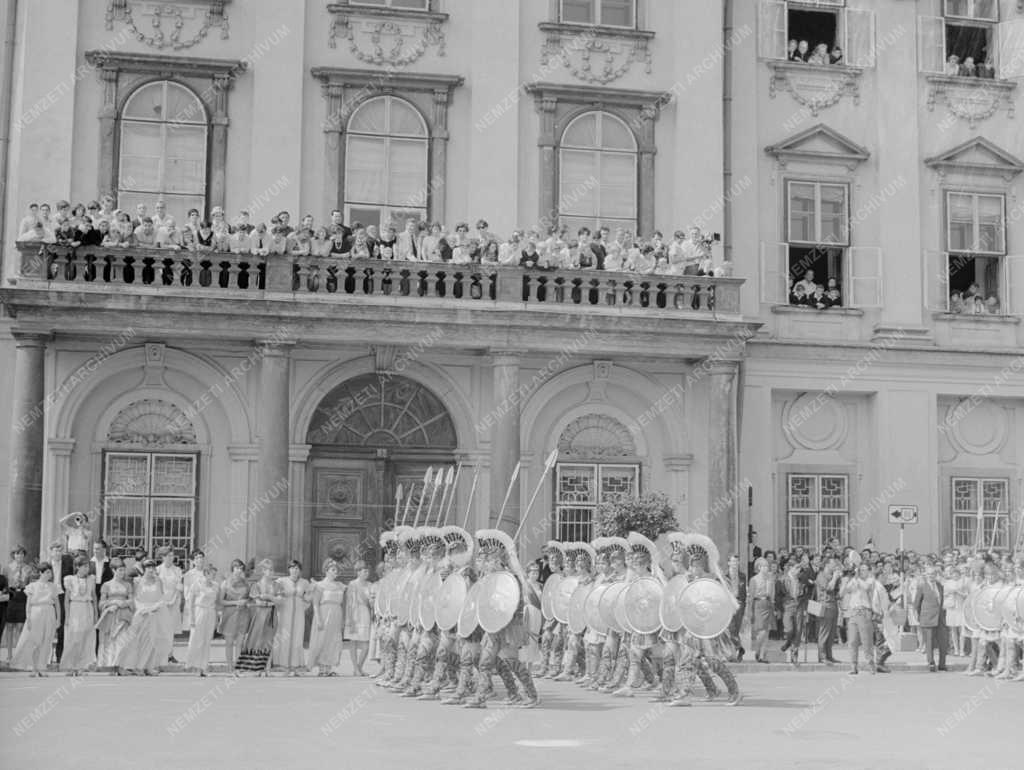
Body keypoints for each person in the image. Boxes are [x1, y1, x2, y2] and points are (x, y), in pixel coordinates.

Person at [120, 559, 168, 676]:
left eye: (153, 567)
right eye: (148, 567)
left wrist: (155, 607)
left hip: (155, 612)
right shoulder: (138, 581)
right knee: (139, 640)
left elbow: (162, 597)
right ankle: (137, 666)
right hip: (141, 612)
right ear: (144, 569)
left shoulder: (159, 581)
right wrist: (143, 609)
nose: (151, 570)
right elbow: (135, 598)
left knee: (153, 640)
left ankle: (149, 667)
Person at [11, 563, 59, 676]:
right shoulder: (33, 586)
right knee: (34, 640)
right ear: (41, 573)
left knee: (46, 640)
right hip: (36, 613)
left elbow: (57, 604)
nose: (49, 574)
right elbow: (28, 603)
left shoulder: (53, 586)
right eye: (47, 572)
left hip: (49, 612)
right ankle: (33, 668)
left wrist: (58, 619)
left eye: (50, 572)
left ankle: (42, 668)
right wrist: (28, 617)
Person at [237, 558, 278, 676]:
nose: (271, 572)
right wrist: (270, 601)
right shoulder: (256, 585)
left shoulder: (277, 585)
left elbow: (281, 601)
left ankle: (267, 668)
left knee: (269, 641)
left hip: (272, 615)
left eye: (272, 570)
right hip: (260, 615)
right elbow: (258, 602)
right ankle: (257, 669)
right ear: (263, 571)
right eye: (268, 570)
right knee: (258, 641)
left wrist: (267, 597)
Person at [308, 559, 346, 677]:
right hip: (324, 613)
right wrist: (319, 618)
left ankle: (329, 667)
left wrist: (344, 619)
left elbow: (343, 603)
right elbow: (315, 603)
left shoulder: (340, 586)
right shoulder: (320, 585)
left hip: (336, 613)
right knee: (322, 640)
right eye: (333, 570)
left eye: (336, 570)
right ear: (326, 571)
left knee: (333, 640)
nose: (335, 572)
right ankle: (322, 667)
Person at [842, 562, 881, 674]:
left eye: (864, 570)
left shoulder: (871, 580)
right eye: (860, 570)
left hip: (864, 612)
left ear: (868, 571)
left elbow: (865, 588)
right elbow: (847, 590)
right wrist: (851, 578)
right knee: (852, 641)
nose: (862, 572)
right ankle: (853, 666)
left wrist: (857, 577)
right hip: (853, 612)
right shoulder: (855, 580)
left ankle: (870, 664)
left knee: (866, 640)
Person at [96, 558, 134, 673]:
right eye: (119, 570)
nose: (122, 573)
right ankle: (111, 666)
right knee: (110, 641)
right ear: (113, 570)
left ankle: (121, 666)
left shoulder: (127, 585)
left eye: (123, 570)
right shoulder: (106, 585)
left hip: (124, 615)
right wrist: (113, 603)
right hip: (111, 615)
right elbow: (101, 603)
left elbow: (132, 600)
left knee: (122, 641)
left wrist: (124, 603)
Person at [60, 555, 97, 675]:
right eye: (84, 566)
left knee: (86, 637)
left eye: (88, 566)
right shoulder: (70, 579)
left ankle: (82, 666)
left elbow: (94, 597)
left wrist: (96, 614)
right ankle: (71, 666)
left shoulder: (91, 579)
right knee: (74, 637)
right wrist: (67, 616)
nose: (87, 569)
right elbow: (66, 600)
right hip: (75, 608)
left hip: (87, 607)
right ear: (77, 567)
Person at [274, 559, 310, 676]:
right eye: (293, 567)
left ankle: (295, 666)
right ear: (289, 569)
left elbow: (309, 598)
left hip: (299, 613)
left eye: (297, 568)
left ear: (300, 570)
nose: (295, 570)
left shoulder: (304, 582)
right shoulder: (281, 581)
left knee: (297, 637)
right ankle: (284, 666)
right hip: (285, 612)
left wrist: (303, 605)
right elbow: (275, 594)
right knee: (284, 637)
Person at [186, 565, 220, 677]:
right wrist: (191, 617)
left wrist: (217, 619)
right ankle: (194, 665)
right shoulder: (198, 583)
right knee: (197, 639)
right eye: (211, 574)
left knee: (206, 640)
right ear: (206, 574)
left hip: (210, 612)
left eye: (215, 574)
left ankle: (203, 667)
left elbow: (216, 603)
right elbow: (191, 601)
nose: (214, 576)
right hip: (199, 611)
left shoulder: (216, 586)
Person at [3, 546, 33, 660]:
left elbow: (30, 585)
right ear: (13, 555)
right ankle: (9, 654)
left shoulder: (28, 568)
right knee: (9, 626)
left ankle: (19, 653)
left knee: (20, 626)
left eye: (21, 554)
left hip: (22, 596)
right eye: (17, 554)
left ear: (24, 556)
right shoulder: (7, 568)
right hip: (11, 595)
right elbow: (4, 583)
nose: (19, 556)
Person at [47, 541, 74, 663]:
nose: (58, 553)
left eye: (60, 550)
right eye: (55, 551)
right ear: (51, 552)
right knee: (48, 624)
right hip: (49, 597)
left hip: (62, 596)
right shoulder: (46, 565)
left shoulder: (68, 564)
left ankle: (59, 656)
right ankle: (46, 657)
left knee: (61, 625)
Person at [345, 560, 373, 676]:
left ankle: (359, 667)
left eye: (367, 571)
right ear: (358, 572)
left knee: (366, 645)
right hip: (355, 614)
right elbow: (349, 603)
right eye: (364, 571)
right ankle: (356, 668)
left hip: (365, 614)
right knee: (353, 642)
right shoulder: (352, 584)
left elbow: (372, 602)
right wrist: (350, 619)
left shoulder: (370, 585)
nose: (367, 573)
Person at [155, 546, 182, 663]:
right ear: (163, 557)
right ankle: (160, 654)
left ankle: (170, 654)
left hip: (173, 601)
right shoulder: (158, 570)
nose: (171, 558)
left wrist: (173, 601)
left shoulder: (177, 570)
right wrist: (163, 601)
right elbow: (156, 587)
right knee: (161, 629)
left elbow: (179, 587)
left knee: (170, 630)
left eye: (172, 555)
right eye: (168, 556)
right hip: (161, 601)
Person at [747, 557, 775, 663]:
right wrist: (749, 611)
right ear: (759, 567)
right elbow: (750, 597)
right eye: (764, 566)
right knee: (761, 631)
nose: (766, 568)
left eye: (767, 566)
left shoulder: (770, 579)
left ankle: (763, 655)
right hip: (758, 604)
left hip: (768, 604)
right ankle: (757, 649)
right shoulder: (754, 580)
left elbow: (772, 594)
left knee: (767, 631)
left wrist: (773, 605)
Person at [814, 558, 841, 664]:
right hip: (824, 605)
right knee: (824, 631)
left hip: (833, 605)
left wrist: (838, 578)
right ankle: (822, 656)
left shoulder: (831, 576)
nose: (835, 566)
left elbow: (837, 591)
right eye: (833, 564)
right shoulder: (821, 575)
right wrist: (835, 577)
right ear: (826, 564)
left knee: (831, 633)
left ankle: (829, 655)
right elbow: (829, 588)